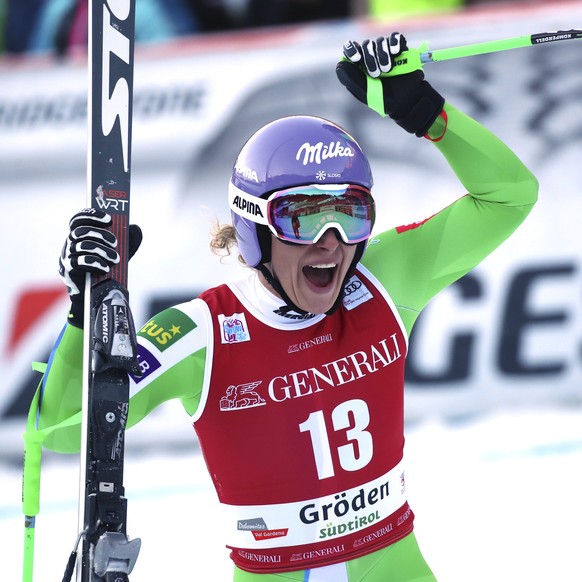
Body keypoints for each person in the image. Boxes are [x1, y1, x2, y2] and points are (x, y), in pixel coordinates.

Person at [31, 33, 538, 581]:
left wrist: (426, 113)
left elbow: (511, 196)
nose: (331, 241)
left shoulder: (384, 281)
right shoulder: (199, 332)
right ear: (254, 231)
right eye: (302, 218)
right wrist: (86, 313)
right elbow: (61, 429)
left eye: (350, 214)